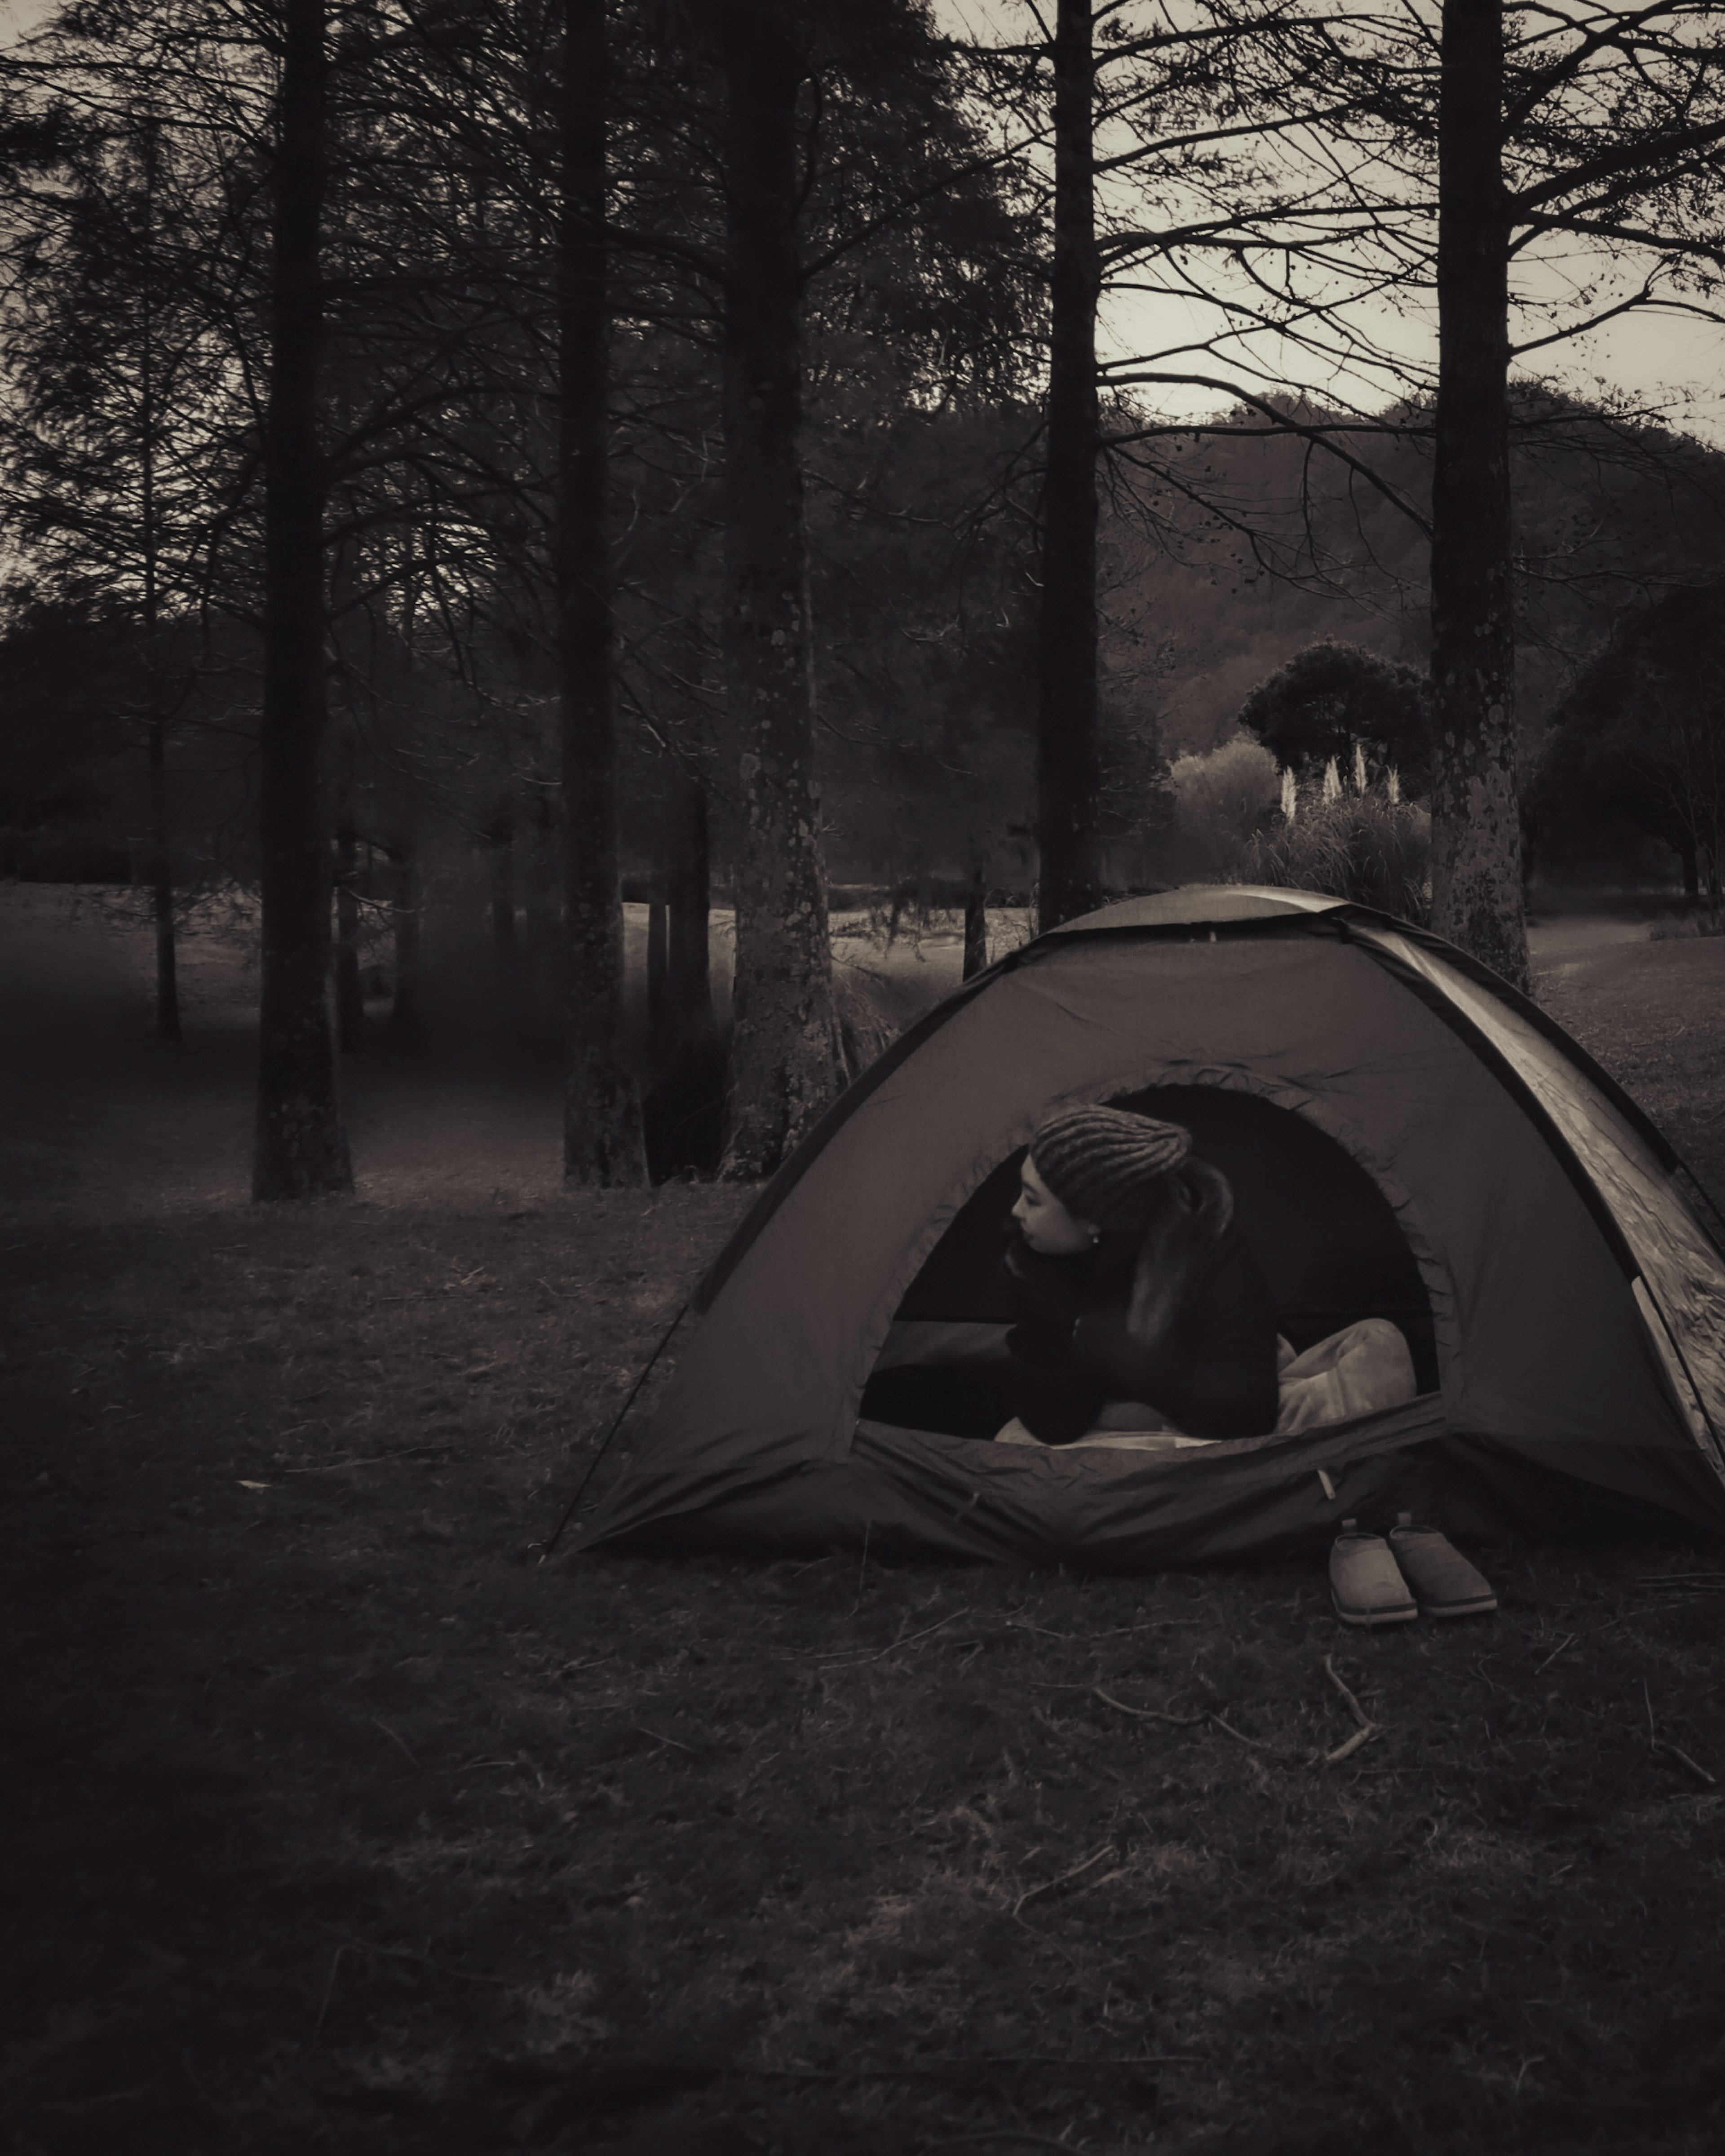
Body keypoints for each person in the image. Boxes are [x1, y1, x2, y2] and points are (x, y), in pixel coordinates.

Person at [998, 1105, 1279, 1444]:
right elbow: (1053, 1423)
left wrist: (1131, 1361)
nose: (1016, 1211)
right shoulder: (1034, 1253)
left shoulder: (1209, 1252)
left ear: (1092, 1219)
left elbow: (1252, 1411)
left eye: (1032, 1200)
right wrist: (1053, 1316)